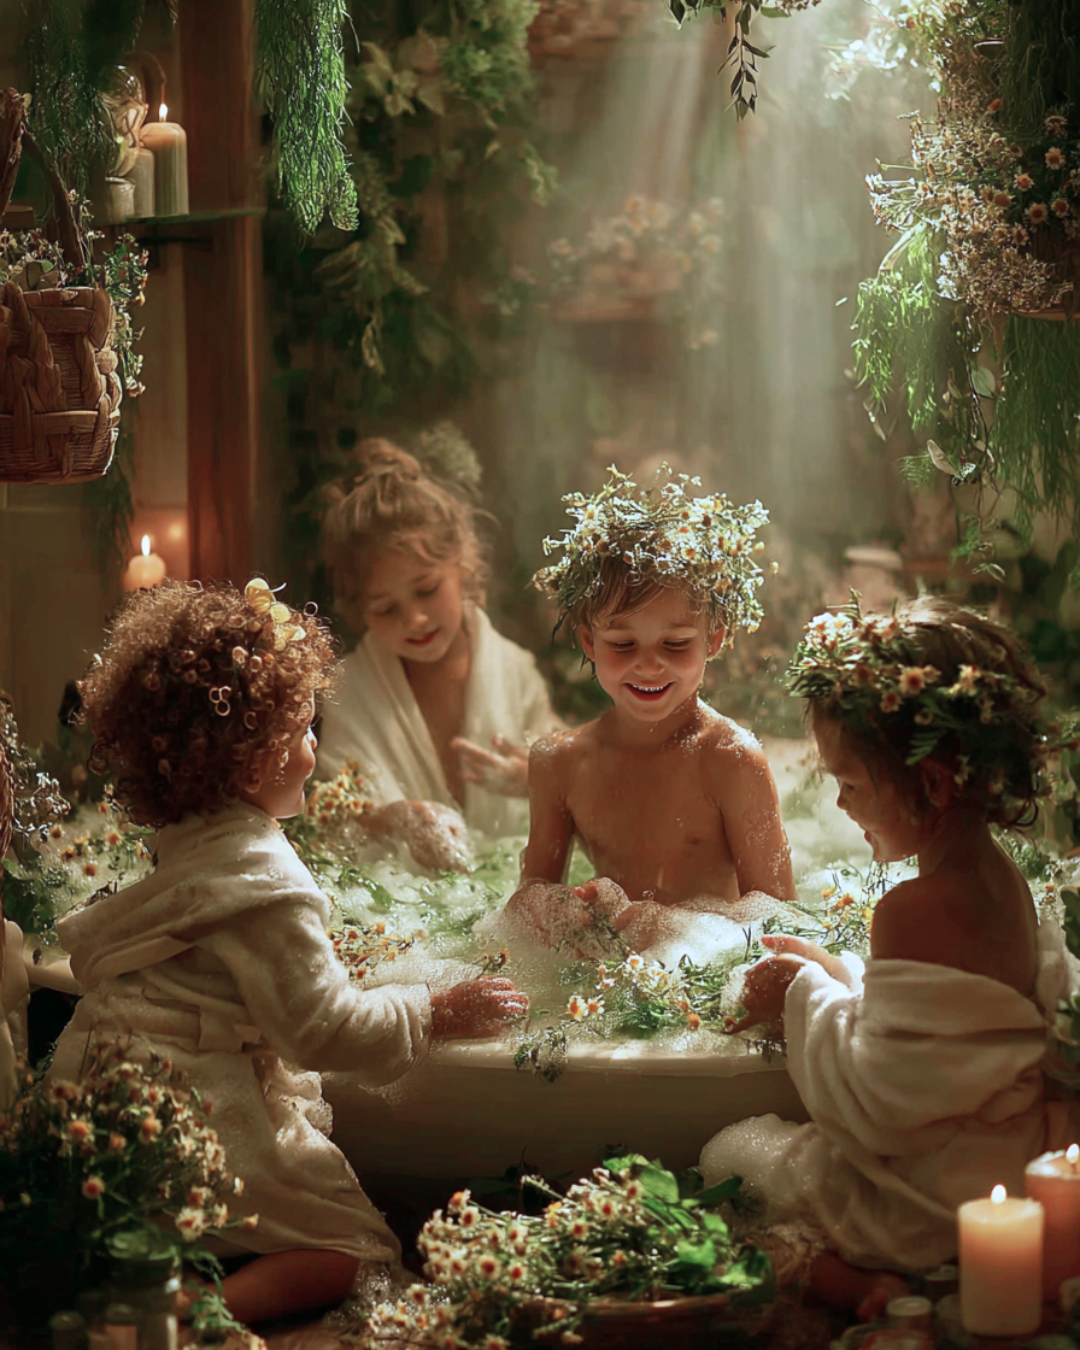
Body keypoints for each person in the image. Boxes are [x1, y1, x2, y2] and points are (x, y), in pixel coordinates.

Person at [48, 579, 527, 1327]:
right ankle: (178, 1312)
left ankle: (159, 1273)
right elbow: (321, 1032)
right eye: (305, 731)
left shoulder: (197, 839)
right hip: (194, 1109)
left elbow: (234, 967)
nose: (315, 747)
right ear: (253, 764)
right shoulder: (266, 881)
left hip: (108, 1089)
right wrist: (432, 1007)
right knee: (352, 1248)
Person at [700, 595, 1075, 1317]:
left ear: (931, 783)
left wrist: (803, 992)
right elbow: (940, 1033)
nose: (839, 806)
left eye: (850, 784)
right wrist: (842, 975)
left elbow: (879, 1100)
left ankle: (865, 1284)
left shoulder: (914, 906)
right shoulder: (997, 877)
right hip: (1008, 1157)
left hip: (936, 1195)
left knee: (736, 1167)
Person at [503, 465, 796, 956]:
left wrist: (670, 927)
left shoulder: (731, 762)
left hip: (705, 971)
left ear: (715, 639)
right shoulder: (559, 764)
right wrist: (562, 910)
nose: (648, 663)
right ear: (589, 641)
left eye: (676, 643)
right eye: (623, 643)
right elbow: (527, 905)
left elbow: (783, 920)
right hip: (614, 974)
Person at [316, 439, 560, 851]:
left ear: (462, 564)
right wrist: (385, 822)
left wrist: (534, 780)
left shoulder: (515, 672)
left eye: (427, 590)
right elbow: (325, 820)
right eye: (385, 609)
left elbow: (580, 790)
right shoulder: (350, 690)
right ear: (359, 609)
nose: (415, 619)